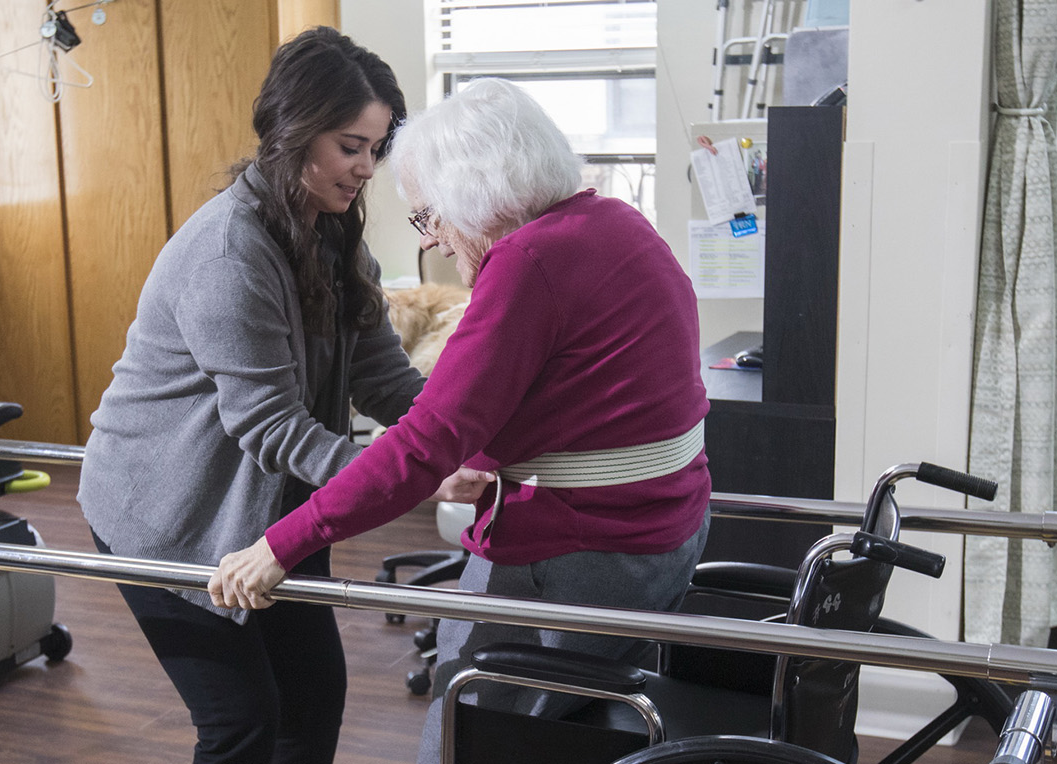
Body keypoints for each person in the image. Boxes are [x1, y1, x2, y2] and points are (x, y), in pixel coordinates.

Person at [212, 78, 711, 764]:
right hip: (663, 535)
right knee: (565, 726)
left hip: (582, 552)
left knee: (461, 735)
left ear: (479, 192)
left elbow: (422, 443)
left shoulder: (528, 262)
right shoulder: (617, 223)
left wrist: (280, 544)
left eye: (431, 217)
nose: (437, 241)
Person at [78, 27, 491, 764]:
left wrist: (466, 439)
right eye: (349, 145)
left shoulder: (334, 237)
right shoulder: (229, 252)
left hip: (271, 506)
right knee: (240, 720)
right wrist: (416, 472)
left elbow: (383, 378)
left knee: (312, 699)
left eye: (375, 147)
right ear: (294, 132)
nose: (366, 166)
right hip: (169, 513)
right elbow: (274, 428)